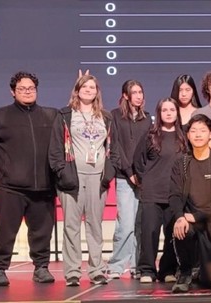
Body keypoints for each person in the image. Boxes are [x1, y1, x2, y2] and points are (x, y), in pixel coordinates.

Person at [0, 71, 58, 287]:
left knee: (42, 232)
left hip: (43, 187)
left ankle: (41, 267)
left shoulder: (51, 116)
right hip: (8, 187)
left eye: (31, 88)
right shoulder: (1, 116)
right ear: (13, 92)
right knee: (5, 231)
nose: (27, 92)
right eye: (22, 89)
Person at [49, 73, 116, 286]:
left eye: (92, 87)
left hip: (97, 178)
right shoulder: (65, 115)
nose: (88, 90)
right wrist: (62, 172)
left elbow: (113, 148)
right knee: (71, 226)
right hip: (72, 178)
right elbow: (55, 148)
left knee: (95, 226)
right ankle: (72, 273)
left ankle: (96, 270)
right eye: (84, 87)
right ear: (77, 90)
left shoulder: (105, 117)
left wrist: (110, 171)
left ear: (97, 92)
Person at [168, 114, 211, 293]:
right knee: (182, 228)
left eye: (203, 130)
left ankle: (202, 269)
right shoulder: (181, 163)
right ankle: (185, 271)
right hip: (189, 221)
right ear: (187, 135)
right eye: (193, 131)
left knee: (209, 280)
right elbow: (174, 195)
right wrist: (180, 217)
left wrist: (196, 216)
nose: (198, 135)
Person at [137, 98, 187, 283]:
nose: (168, 113)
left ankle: (167, 270)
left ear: (177, 112)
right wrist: (149, 180)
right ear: (159, 113)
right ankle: (147, 271)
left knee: (171, 235)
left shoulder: (183, 137)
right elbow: (139, 161)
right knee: (149, 233)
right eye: (164, 110)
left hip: (174, 194)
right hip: (152, 193)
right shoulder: (150, 135)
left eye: (172, 109)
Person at [106, 79, 151, 279]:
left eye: (141, 92)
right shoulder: (115, 116)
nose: (139, 96)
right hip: (124, 177)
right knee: (125, 223)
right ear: (125, 95)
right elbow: (115, 147)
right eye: (134, 92)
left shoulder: (148, 119)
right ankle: (116, 265)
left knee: (140, 223)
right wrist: (129, 171)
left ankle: (136, 265)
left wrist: (140, 173)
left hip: (144, 178)